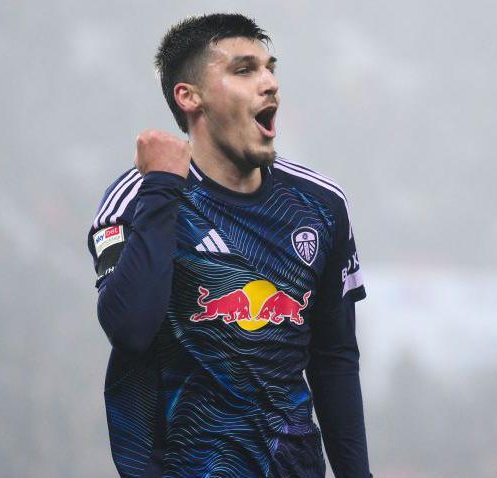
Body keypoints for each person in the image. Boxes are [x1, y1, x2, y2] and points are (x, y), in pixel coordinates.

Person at [86, 13, 371, 478]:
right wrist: (161, 186)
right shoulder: (138, 198)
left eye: (269, 68)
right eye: (244, 70)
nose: (269, 83)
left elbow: (334, 358)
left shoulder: (320, 206)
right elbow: (129, 328)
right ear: (189, 96)